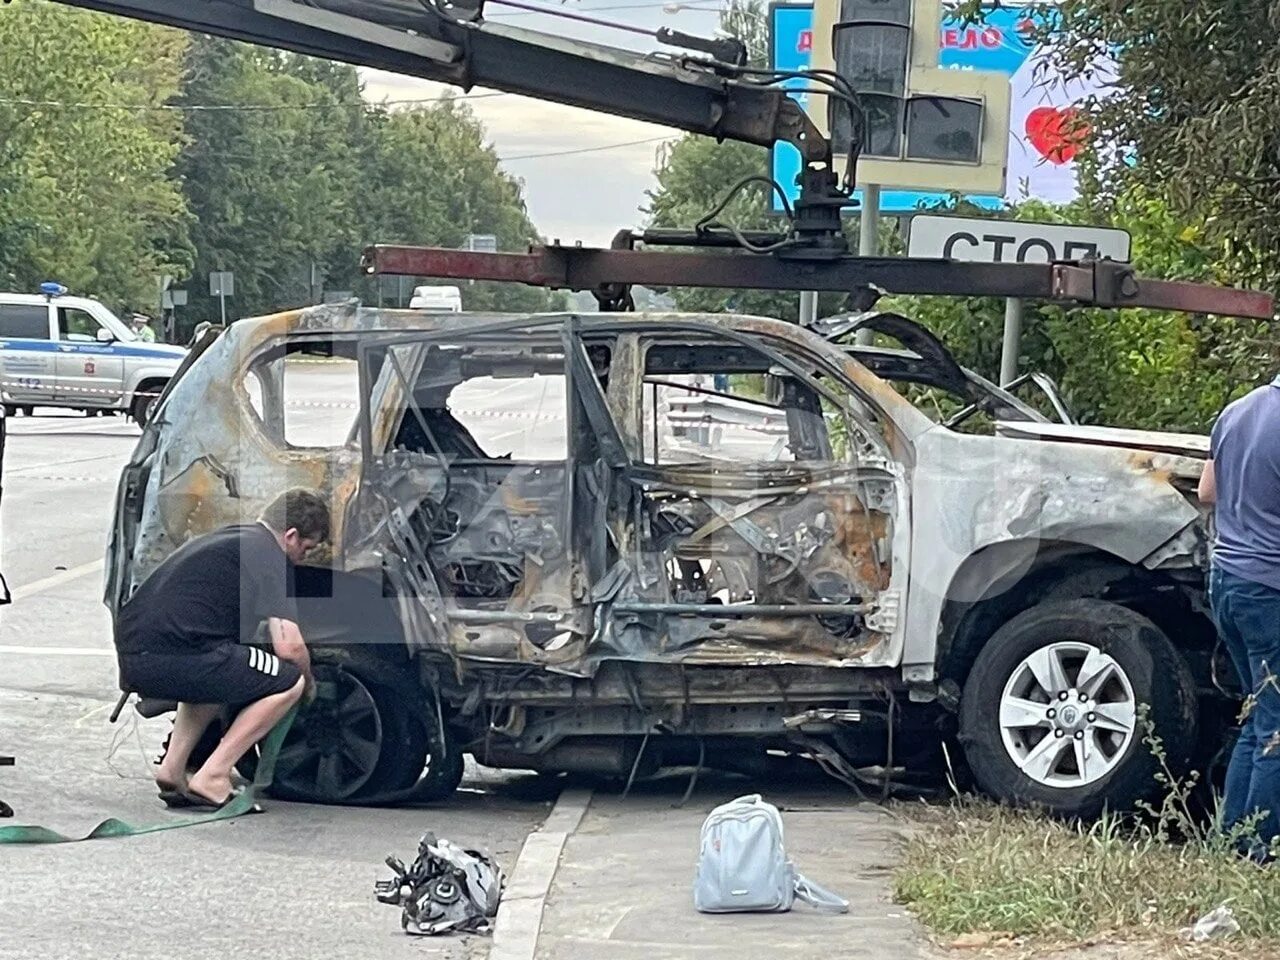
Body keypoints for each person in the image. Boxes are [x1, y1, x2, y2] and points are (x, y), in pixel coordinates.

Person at [113, 488, 330, 809]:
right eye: (306, 550)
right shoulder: (270, 556)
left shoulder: (233, 537)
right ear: (291, 535)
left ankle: (172, 770)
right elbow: (289, 647)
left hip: (139, 652)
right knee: (288, 680)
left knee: (220, 673)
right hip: (179, 653)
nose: (303, 558)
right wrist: (309, 685)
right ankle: (213, 774)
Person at [1199, 375, 1280, 856]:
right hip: (1271, 587)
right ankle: (1261, 851)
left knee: (1259, 717)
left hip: (1227, 578)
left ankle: (1233, 842)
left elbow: (1208, 491)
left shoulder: (1237, 410)